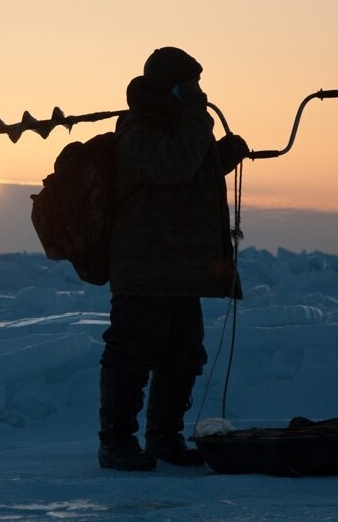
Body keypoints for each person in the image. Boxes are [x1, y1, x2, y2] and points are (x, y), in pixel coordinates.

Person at [98, 47, 249, 471]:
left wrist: (220, 157)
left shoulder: (179, 124)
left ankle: (164, 437)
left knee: (183, 355)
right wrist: (199, 117)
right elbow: (174, 165)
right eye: (191, 84)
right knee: (130, 354)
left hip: (181, 268)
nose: (199, 92)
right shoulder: (136, 127)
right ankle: (116, 441)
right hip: (145, 266)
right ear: (173, 87)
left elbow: (188, 174)